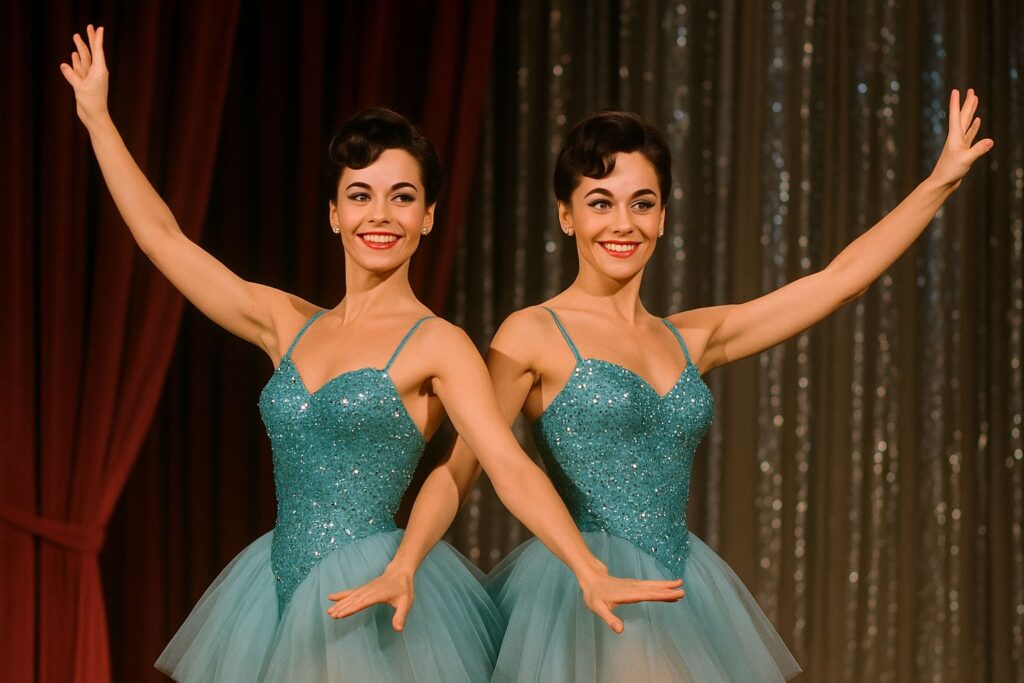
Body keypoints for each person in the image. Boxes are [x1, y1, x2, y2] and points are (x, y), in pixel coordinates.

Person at [61, 25, 687, 682]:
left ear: (428, 217)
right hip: (274, 591)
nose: (380, 214)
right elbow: (163, 240)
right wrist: (98, 118)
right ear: (334, 213)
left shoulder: (440, 343)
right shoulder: (285, 323)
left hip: (372, 594)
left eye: (403, 196)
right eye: (360, 195)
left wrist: (587, 568)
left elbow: (503, 464)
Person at [335, 93, 991, 680]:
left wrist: (939, 182)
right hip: (580, 591)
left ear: (663, 217)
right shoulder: (531, 333)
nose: (623, 223)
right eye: (600, 203)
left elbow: (837, 281)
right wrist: (407, 562)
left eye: (641, 203)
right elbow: (463, 468)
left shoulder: (692, 338)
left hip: (680, 582)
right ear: (566, 216)